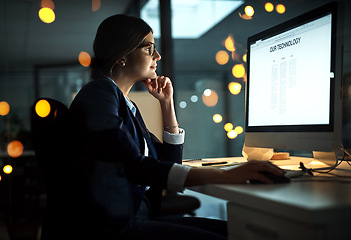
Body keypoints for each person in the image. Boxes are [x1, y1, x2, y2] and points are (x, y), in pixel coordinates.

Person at [68, 14, 284, 240]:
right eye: (149, 48)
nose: (158, 56)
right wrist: (226, 175)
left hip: (135, 216)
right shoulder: (99, 92)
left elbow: (166, 164)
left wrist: (166, 104)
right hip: (115, 226)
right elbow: (132, 165)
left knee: (236, 232)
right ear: (122, 56)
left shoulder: (126, 105)